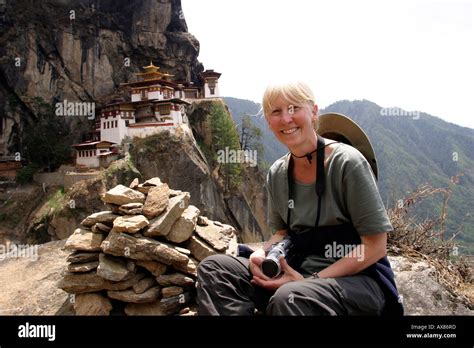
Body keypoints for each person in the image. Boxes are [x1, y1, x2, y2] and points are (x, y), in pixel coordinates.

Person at [196, 81, 403, 316]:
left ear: (313, 112)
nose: (286, 119)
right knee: (215, 269)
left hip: (356, 279)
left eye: (294, 108)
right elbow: (282, 233)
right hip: (296, 267)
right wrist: (263, 253)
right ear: (267, 120)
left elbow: (375, 247)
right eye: (276, 111)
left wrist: (307, 280)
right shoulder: (277, 173)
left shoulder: (347, 163)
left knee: (290, 298)